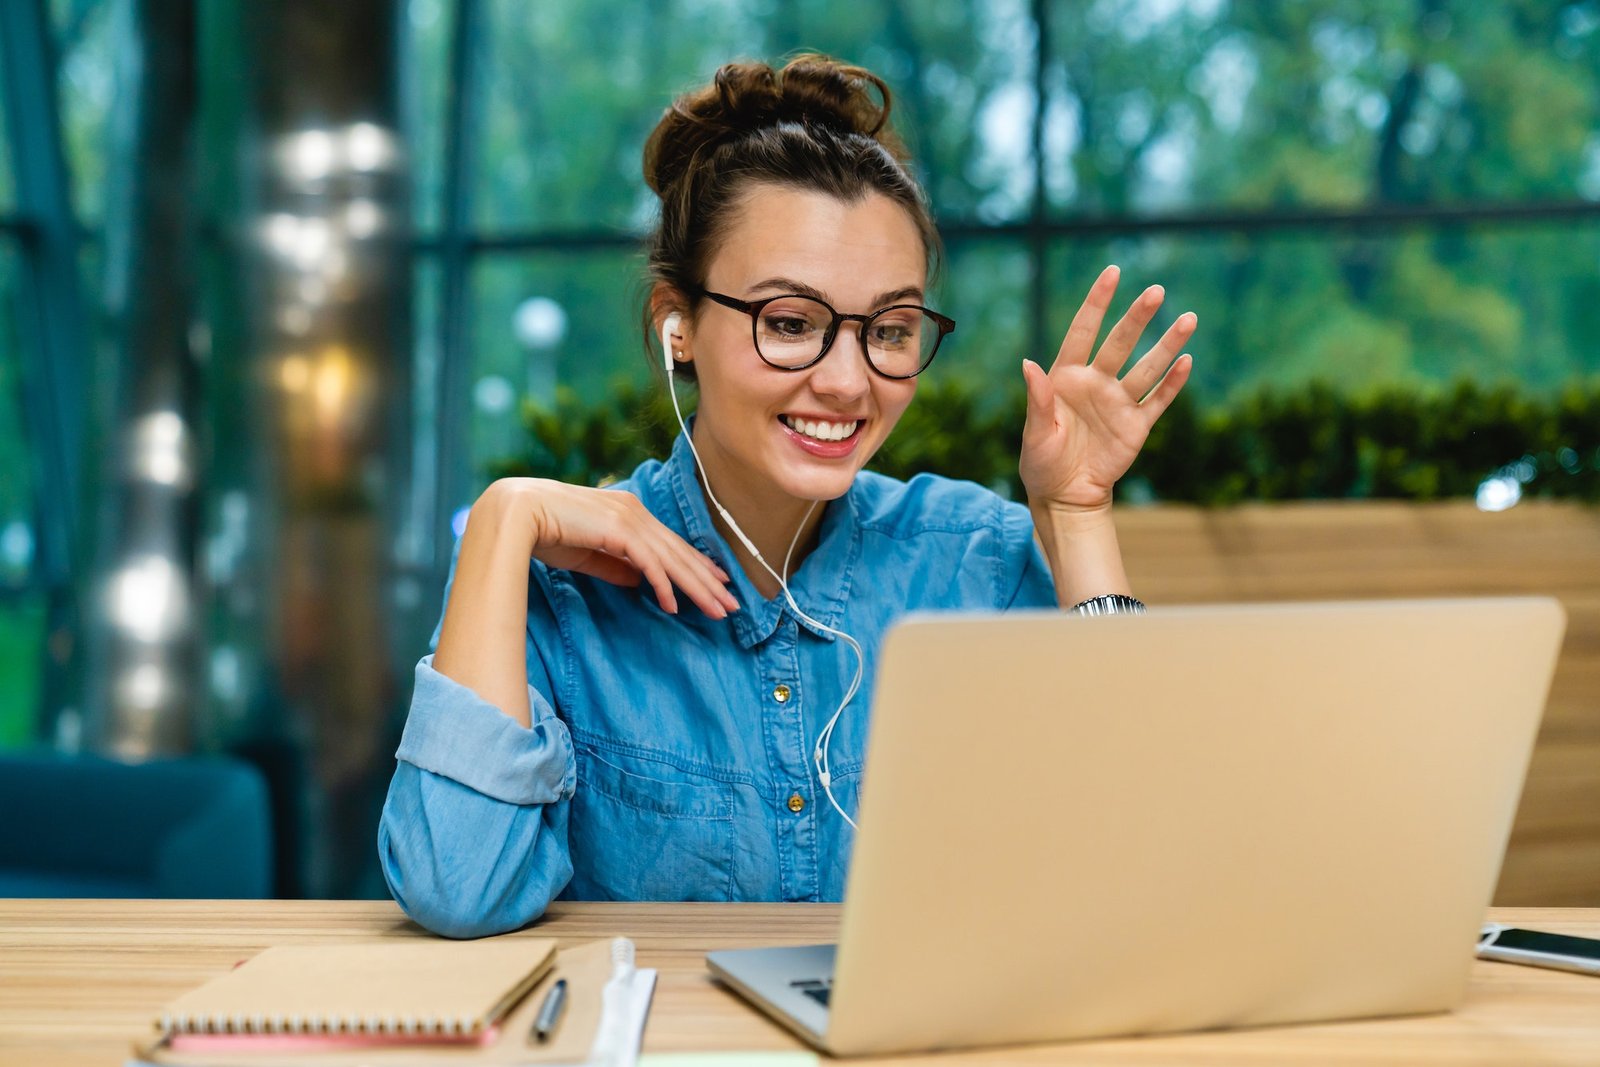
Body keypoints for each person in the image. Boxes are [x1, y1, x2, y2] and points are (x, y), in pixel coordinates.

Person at [378, 54, 1195, 939]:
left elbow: (1151, 858)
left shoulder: (977, 561)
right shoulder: (558, 590)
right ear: (676, 326)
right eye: (792, 323)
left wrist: (1077, 519)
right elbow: (458, 887)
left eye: (888, 330)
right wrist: (504, 517)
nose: (848, 381)